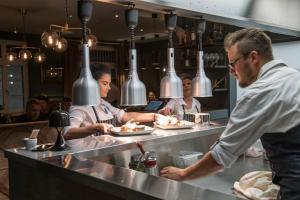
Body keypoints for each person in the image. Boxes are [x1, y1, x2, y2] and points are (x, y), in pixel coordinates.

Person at [160, 28, 300, 200]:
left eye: (233, 63)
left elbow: (221, 156)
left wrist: (183, 174)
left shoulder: (258, 94)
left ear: (253, 57)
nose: (231, 71)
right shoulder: (294, 76)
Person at [64, 64, 164, 140]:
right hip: (89, 158)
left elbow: (126, 116)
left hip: (106, 152)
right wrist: (94, 128)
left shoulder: (104, 104)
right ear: (91, 83)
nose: (109, 88)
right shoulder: (80, 107)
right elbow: (67, 132)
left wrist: (155, 116)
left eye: (109, 84)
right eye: (105, 84)